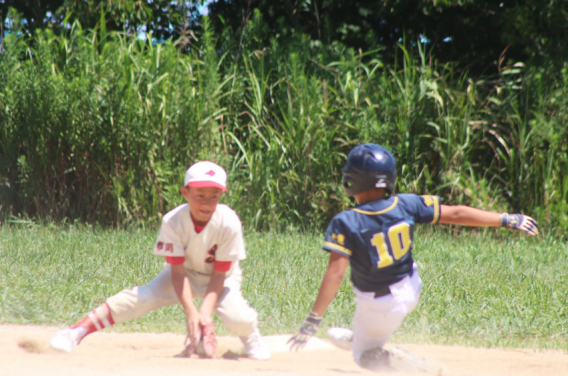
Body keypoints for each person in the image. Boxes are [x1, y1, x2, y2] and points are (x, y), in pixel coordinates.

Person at [288, 143, 538, 371]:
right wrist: (507, 219)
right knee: (354, 330)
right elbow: (458, 214)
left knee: (362, 356)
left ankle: (408, 366)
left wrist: (313, 319)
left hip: (380, 306)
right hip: (411, 287)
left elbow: (336, 273)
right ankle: (363, 337)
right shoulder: (406, 204)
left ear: (352, 180)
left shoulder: (346, 221)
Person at [50, 161, 271, 360]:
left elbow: (220, 274)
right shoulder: (173, 221)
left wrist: (204, 314)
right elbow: (177, 272)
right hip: (184, 273)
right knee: (140, 298)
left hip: (222, 280)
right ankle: (74, 333)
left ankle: (251, 338)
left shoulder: (229, 221)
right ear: (185, 192)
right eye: (199, 194)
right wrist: (191, 313)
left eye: (214, 195)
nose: (207, 201)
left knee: (239, 319)